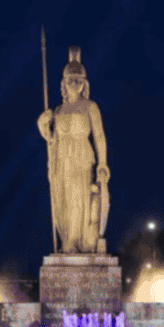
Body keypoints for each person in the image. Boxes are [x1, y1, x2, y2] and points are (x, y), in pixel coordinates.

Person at [37, 47, 110, 253]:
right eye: (70, 80)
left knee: (78, 198)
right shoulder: (58, 110)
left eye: (79, 80)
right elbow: (52, 139)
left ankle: (74, 242)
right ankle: (67, 239)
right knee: (63, 200)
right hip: (62, 158)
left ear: (84, 84)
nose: (74, 84)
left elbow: (99, 136)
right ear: (63, 83)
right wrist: (43, 125)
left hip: (81, 156)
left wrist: (103, 163)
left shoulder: (90, 106)